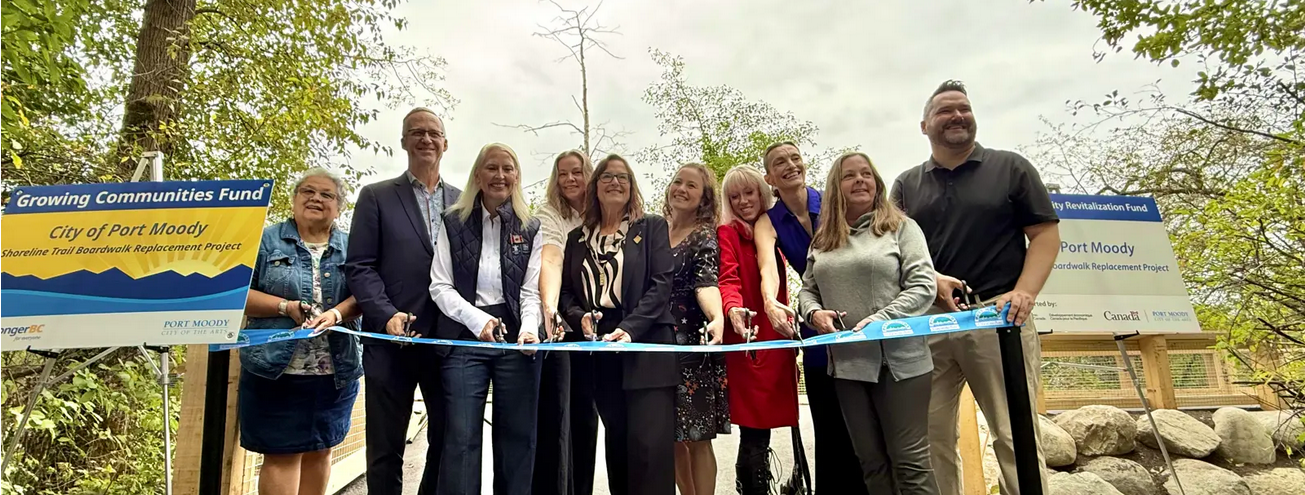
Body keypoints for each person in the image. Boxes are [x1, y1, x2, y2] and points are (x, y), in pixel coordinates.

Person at [891, 80, 1060, 495]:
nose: (957, 116)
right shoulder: (905, 185)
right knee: (929, 440)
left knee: (1013, 434)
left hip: (998, 318)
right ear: (924, 125)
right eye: (946, 110)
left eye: (964, 108)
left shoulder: (1011, 168)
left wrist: (1024, 293)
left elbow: (1045, 236)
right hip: (928, 325)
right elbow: (890, 249)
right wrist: (930, 281)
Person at [797, 152, 939, 494]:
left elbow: (923, 286)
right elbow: (806, 291)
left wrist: (882, 320)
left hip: (901, 366)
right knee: (871, 465)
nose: (859, 180)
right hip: (846, 368)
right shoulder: (823, 240)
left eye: (866, 174)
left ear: (876, 183)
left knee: (910, 464)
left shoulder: (901, 228)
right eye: (849, 175)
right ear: (836, 186)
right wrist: (814, 314)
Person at [344, 107, 461, 495]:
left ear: (445, 144)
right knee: (385, 446)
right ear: (404, 141)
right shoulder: (376, 197)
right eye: (417, 132)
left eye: (433, 133)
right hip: (390, 340)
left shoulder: (464, 203)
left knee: (447, 439)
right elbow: (359, 266)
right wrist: (386, 314)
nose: (426, 139)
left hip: (447, 341)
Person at [238, 168, 363, 495]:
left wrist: (337, 314)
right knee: (281, 456)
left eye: (326, 195)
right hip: (274, 370)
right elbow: (237, 295)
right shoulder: (264, 241)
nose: (316, 199)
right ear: (294, 200)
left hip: (335, 371)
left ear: (339, 207)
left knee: (322, 449)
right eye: (308, 191)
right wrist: (285, 307)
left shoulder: (354, 247)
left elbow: (368, 295)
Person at [558, 154, 678, 495]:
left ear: (631, 186)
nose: (615, 182)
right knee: (619, 443)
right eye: (607, 176)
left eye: (623, 177)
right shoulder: (576, 239)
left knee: (649, 449)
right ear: (595, 186)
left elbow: (661, 284)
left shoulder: (651, 226)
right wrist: (578, 316)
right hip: (600, 347)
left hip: (647, 341)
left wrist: (631, 328)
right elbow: (566, 292)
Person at [753, 142, 868, 495]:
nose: (790, 165)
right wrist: (770, 301)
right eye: (778, 163)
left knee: (865, 423)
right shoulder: (768, 221)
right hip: (815, 317)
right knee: (829, 423)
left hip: (861, 313)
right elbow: (768, 268)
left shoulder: (836, 200)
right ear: (770, 177)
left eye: (794, 158)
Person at [428, 143, 543, 495]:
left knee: (517, 437)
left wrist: (527, 330)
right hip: (464, 337)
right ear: (478, 175)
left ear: (516, 176)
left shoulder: (531, 226)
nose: (500, 175)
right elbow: (440, 285)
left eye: (508, 168)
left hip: (516, 339)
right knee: (461, 437)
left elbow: (529, 291)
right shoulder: (453, 221)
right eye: (492, 168)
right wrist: (478, 321)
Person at [716, 166, 801, 495]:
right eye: (734, 196)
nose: (742, 201)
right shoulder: (728, 233)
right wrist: (732, 307)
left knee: (783, 419)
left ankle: (793, 480)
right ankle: (752, 486)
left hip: (778, 333)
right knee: (754, 425)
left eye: (748, 193)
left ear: (761, 192)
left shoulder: (775, 227)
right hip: (749, 335)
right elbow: (728, 277)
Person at [661, 163, 729, 495]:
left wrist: (717, 317)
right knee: (671, 435)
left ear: (703, 197)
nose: (682, 189)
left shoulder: (704, 234)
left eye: (692, 186)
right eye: (677, 182)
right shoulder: (655, 231)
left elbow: (706, 283)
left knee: (698, 437)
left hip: (692, 348)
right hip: (657, 346)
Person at [534, 149, 593, 495]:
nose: (569, 179)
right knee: (560, 424)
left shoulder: (607, 214)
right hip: (563, 331)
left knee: (587, 423)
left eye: (577, 172)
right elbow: (551, 259)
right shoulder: (549, 215)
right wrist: (550, 307)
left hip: (602, 332)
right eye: (562, 173)